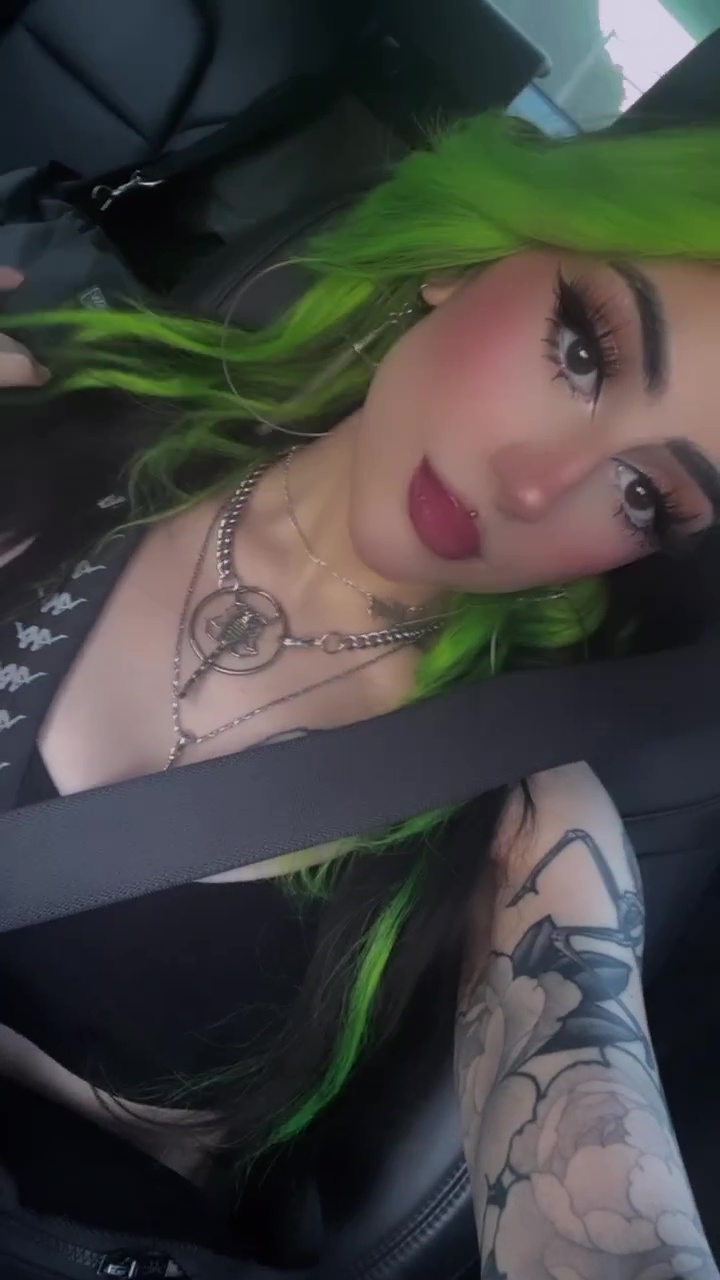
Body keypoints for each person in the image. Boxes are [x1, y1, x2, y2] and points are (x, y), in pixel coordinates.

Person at [0, 112, 718, 1278]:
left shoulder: (519, 815)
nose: (537, 488)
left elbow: (596, 1140)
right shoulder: (77, 421)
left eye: (644, 495)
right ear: (465, 264)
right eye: (583, 352)